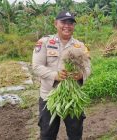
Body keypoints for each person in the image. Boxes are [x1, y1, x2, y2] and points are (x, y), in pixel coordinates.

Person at [32, 11, 91, 140]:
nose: (67, 26)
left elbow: (88, 68)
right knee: (47, 134)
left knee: (75, 133)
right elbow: (36, 67)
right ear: (55, 24)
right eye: (63, 22)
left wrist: (81, 75)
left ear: (73, 26)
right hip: (49, 97)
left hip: (72, 98)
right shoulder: (45, 42)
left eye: (70, 23)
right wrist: (55, 75)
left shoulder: (80, 46)